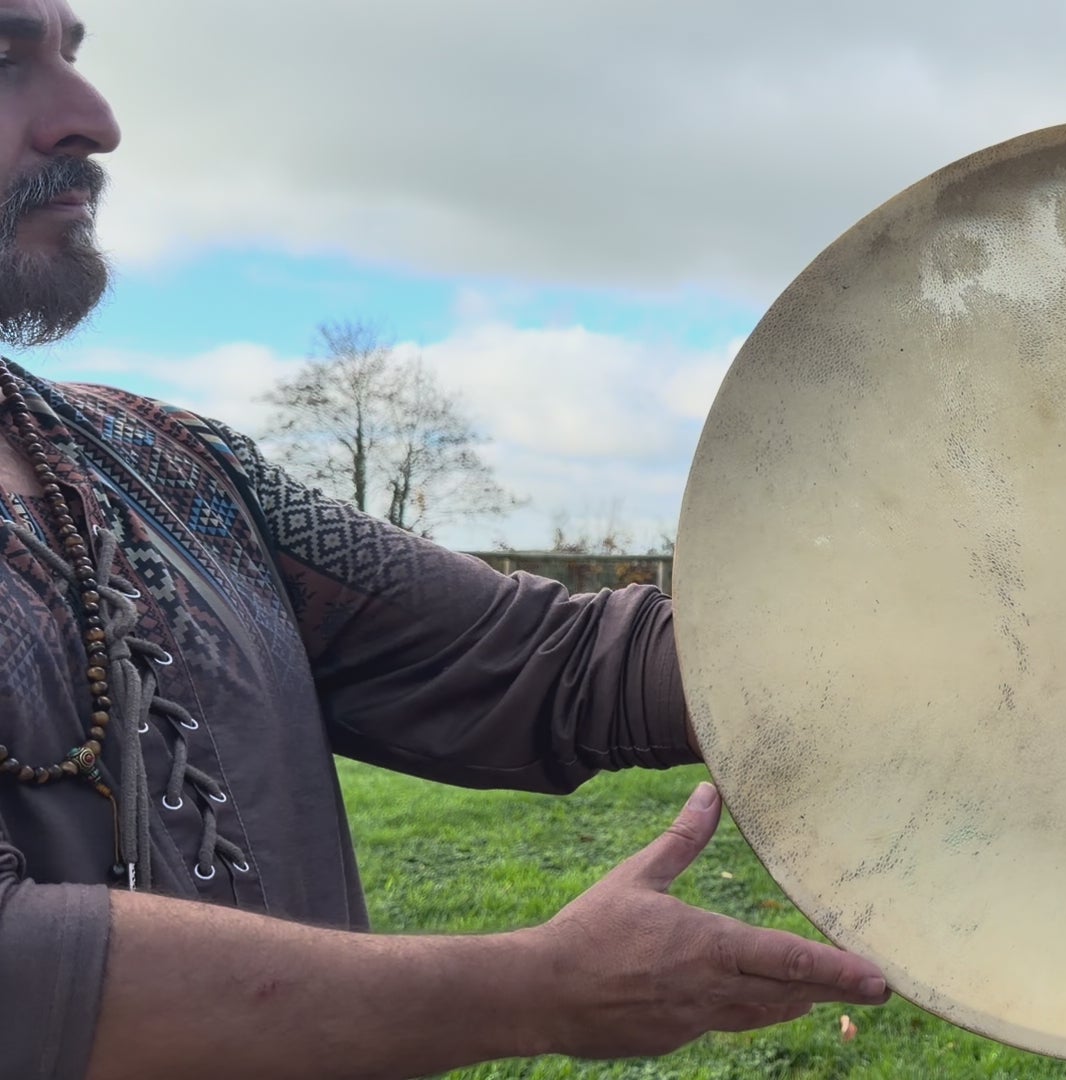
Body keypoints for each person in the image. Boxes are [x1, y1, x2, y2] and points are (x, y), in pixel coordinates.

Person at [0, 2, 891, 1077]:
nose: (93, 121)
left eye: (72, 52)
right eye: (4, 58)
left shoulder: (172, 465)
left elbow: (536, 659)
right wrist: (534, 989)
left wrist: (929, 645)